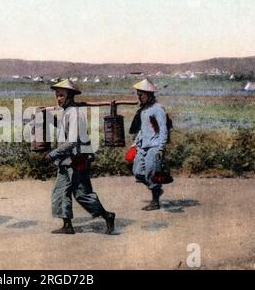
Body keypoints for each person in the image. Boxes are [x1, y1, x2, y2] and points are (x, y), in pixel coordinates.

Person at [45, 79, 116, 234]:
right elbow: (65, 131)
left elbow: (72, 141)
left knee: (82, 194)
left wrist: (53, 154)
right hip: (66, 160)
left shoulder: (75, 114)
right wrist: (51, 120)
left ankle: (107, 215)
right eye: (57, 95)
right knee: (60, 191)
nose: (58, 98)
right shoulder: (67, 112)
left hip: (76, 159)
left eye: (61, 95)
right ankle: (67, 225)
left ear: (70, 96)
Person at [129, 79, 169, 211]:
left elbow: (162, 129)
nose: (139, 97)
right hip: (143, 146)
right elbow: (143, 130)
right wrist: (135, 144)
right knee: (137, 172)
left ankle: (155, 201)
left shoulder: (157, 109)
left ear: (149, 94)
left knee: (151, 173)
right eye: (138, 94)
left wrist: (161, 147)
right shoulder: (144, 110)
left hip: (154, 145)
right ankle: (156, 190)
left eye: (141, 95)